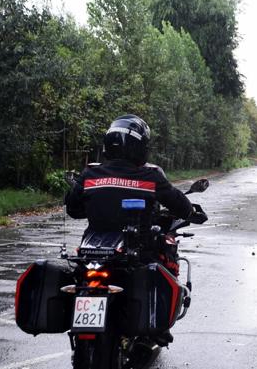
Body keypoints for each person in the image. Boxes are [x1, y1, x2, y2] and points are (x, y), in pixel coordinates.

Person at [65, 115, 193, 345]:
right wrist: (192, 212)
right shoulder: (150, 176)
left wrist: (99, 204)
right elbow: (182, 206)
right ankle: (157, 327)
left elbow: (73, 210)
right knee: (164, 253)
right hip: (137, 253)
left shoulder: (90, 174)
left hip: (91, 253)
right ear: (140, 146)